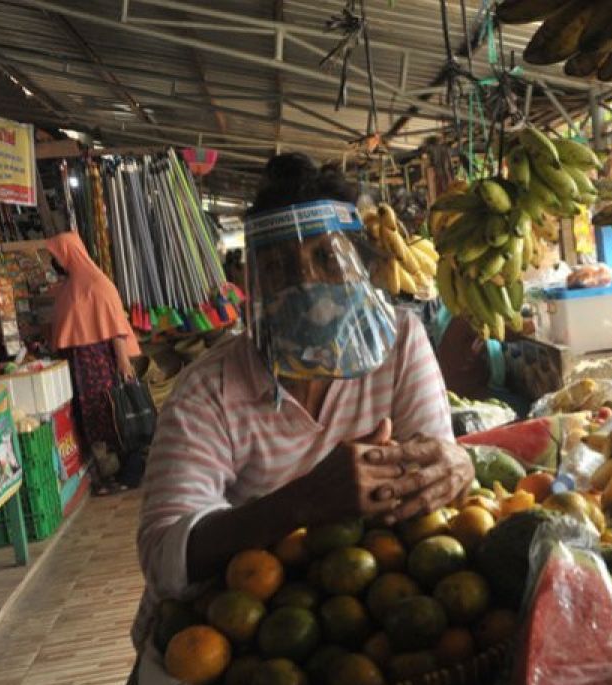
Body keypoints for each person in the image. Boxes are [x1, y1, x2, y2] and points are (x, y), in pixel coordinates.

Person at [132, 154, 473, 646]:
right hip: (237, 635)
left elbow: (428, 482)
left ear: (362, 266)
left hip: (362, 615)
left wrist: (456, 462)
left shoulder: (400, 343)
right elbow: (165, 556)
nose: (305, 283)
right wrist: (305, 502)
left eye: (327, 259)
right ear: (255, 285)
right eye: (277, 268)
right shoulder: (209, 389)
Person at [46, 226, 140, 495]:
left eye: (56, 255)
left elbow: (116, 324)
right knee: (95, 420)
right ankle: (111, 474)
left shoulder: (98, 283)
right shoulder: (70, 286)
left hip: (101, 362)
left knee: (114, 415)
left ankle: (130, 474)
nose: (55, 262)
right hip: (81, 367)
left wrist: (123, 362)